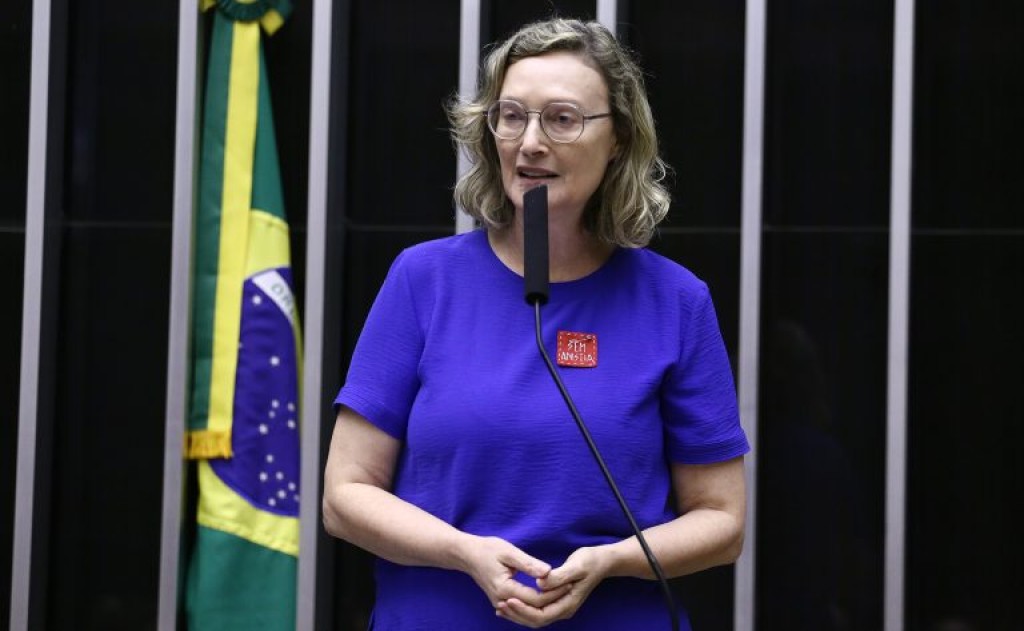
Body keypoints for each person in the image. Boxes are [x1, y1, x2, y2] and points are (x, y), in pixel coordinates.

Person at [323, 17, 749, 630]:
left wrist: (612, 560)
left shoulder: (676, 301)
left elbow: (722, 522)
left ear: (619, 139)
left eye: (562, 119)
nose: (529, 143)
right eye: (511, 116)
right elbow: (345, 496)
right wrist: (464, 552)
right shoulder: (423, 279)